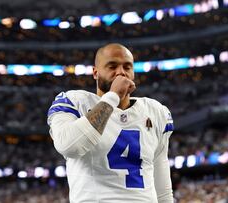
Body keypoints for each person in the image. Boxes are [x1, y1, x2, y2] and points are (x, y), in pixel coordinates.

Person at [47, 43, 174, 202]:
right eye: (112, 66)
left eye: (127, 67)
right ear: (95, 72)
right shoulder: (75, 102)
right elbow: (68, 146)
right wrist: (113, 96)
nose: (121, 72)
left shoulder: (156, 112)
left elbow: (162, 186)